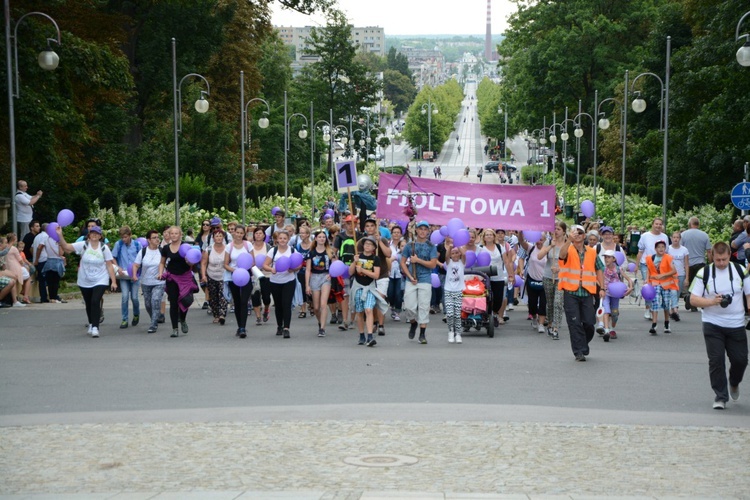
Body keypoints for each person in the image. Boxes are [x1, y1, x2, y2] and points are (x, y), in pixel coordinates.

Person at [689, 242, 750, 410]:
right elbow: (693, 299)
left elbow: (748, 294)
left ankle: (734, 382)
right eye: (718, 260)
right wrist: (711, 302)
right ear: (712, 257)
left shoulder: (740, 271)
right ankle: (720, 396)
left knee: (741, 360)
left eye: (724, 259)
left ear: (730, 255)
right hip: (712, 323)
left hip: (736, 324)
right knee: (716, 362)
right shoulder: (705, 272)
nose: (721, 263)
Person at [56, 225, 117, 338]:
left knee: (95, 301)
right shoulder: (83, 245)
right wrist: (60, 235)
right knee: (88, 303)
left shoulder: (104, 248)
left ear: (100, 236)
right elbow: (67, 247)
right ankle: (91, 323)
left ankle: (95, 327)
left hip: (101, 279)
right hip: (85, 279)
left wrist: (113, 281)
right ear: (89, 235)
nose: (94, 235)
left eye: (97, 233)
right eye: (92, 233)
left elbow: (109, 265)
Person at [558, 224, 606, 361]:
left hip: (587, 292)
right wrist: (568, 241)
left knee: (589, 323)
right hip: (571, 292)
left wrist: (602, 288)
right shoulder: (568, 248)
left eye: (580, 233)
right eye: (575, 233)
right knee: (574, 323)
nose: (578, 235)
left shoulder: (591, 252)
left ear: (584, 236)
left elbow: (599, 269)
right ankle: (578, 351)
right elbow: (561, 256)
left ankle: (583, 343)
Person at [400, 220, 438, 344]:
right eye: (420, 229)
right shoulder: (409, 245)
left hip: (425, 279)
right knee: (409, 307)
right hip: (411, 280)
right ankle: (413, 322)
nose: (422, 231)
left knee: (424, 306)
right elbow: (402, 262)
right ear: (416, 230)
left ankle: (422, 334)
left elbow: (432, 264)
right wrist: (410, 276)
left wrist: (418, 260)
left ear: (428, 231)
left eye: (425, 229)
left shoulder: (432, 247)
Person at [158, 226, 198, 338]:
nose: (174, 235)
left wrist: (189, 261)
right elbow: (162, 262)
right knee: (174, 303)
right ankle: (174, 328)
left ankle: (183, 319)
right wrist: (160, 273)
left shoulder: (186, 246)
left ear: (180, 235)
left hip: (185, 277)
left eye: (176, 233)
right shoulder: (166, 248)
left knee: (186, 300)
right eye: (172, 233)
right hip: (172, 278)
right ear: (169, 235)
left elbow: (192, 263)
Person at [264, 230, 303, 339]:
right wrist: (272, 269)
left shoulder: (292, 250)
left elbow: (299, 263)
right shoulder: (273, 251)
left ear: (288, 239)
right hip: (275, 281)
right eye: (280, 238)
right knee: (278, 305)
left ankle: (286, 328)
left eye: (284, 238)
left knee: (287, 304)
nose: (282, 240)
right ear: (277, 240)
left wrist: (293, 269)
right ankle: (279, 326)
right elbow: (265, 265)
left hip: (289, 281)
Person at [132, 230, 166, 333]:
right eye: (154, 238)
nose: (157, 239)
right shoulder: (143, 252)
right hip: (146, 282)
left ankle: (153, 324)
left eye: (157, 237)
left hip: (159, 282)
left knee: (155, 300)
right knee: (148, 304)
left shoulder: (162, 251)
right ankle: (154, 317)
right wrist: (134, 275)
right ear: (148, 240)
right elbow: (136, 265)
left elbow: (167, 264)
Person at [350, 236, 381, 347]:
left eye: (370, 244)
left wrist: (362, 270)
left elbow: (376, 275)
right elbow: (350, 272)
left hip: (369, 287)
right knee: (359, 311)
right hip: (358, 286)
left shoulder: (375, 259)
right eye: (366, 243)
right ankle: (362, 334)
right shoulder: (358, 256)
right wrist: (355, 262)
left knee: (368, 309)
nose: (367, 245)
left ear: (373, 247)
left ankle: (370, 335)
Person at [635, 217, 669, 321]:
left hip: (660, 266)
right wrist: (636, 265)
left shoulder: (665, 237)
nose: (658, 226)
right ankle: (647, 309)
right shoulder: (645, 236)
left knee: (658, 288)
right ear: (652, 224)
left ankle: (654, 308)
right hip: (647, 264)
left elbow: (666, 253)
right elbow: (640, 251)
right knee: (649, 286)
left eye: (660, 224)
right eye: (656, 224)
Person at [224, 225, 253, 338]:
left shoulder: (248, 245)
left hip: (246, 276)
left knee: (244, 301)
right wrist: (235, 270)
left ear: (244, 234)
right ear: (234, 233)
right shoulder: (229, 246)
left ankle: (243, 328)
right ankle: (239, 325)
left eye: (242, 233)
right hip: (234, 277)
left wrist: (244, 268)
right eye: (238, 232)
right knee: (237, 302)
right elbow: (225, 264)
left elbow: (253, 261)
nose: (239, 235)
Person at [599, 249, 633, 341]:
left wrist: (630, 287)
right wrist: (601, 288)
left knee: (614, 314)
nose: (606, 259)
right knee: (606, 310)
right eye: (605, 257)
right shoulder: (602, 268)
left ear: (614, 259)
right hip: (606, 292)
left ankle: (612, 328)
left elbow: (628, 279)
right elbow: (597, 278)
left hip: (615, 294)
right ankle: (606, 330)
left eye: (609, 257)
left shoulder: (618, 269)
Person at [645, 240, 678, 335]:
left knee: (666, 304)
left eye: (663, 247)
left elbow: (674, 271)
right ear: (655, 249)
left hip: (666, 284)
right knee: (655, 301)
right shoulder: (650, 258)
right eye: (659, 247)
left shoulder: (668, 258)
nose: (661, 249)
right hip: (655, 283)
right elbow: (649, 270)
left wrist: (662, 275)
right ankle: (654, 324)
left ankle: (666, 323)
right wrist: (647, 281)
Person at [112, 226, 142, 329]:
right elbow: (113, 258)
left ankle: (136, 314)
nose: (123, 239)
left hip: (135, 275)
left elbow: (141, 259)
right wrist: (118, 267)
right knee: (124, 297)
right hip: (123, 275)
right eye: (122, 237)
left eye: (125, 237)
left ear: (130, 235)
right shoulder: (118, 244)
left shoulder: (137, 245)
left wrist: (137, 270)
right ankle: (124, 319)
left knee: (134, 297)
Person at [681, 217, 713, 312]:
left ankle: (689, 300)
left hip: (688, 263)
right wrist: (711, 263)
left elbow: (680, 249)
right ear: (698, 224)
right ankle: (692, 301)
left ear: (690, 224)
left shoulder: (683, 235)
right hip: (700, 263)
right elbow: (709, 251)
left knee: (690, 283)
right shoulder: (704, 235)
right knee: (698, 284)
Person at [306, 229, 333, 337]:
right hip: (314, 277)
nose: (322, 239)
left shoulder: (330, 251)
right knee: (316, 307)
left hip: (325, 277)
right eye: (320, 237)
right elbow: (308, 270)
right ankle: (319, 321)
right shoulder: (311, 253)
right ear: (316, 239)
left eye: (323, 237)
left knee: (323, 304)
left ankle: (322, 328)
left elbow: (335, 265)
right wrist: (307, 285)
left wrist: (331, 274)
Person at [199, 227, 228, 328]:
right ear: (213, 238)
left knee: (223, 295)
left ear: (223, 237)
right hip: (211, 275)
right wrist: (203, 275)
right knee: (213, 297)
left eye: (220, 236)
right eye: (217, 236)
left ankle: (222, 314)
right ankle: (216, 314)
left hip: (224, 276)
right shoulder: (209, 249)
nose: (219, 238)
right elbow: (203, 263)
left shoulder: (227, 249)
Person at [519, 232, 547, 334]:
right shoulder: (531, 248)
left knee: (543, 303)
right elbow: (521, 241)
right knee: (532, 303)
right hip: (532, 280)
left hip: (545, 281)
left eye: (541, 240)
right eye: (538, 239)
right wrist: (521, 232)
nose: (539, 242)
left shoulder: (548, 250)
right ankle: (534, 317)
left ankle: (541, 324)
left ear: (544, 240)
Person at [249, 226, 272, 326]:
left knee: (266, 297)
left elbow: (271, 260)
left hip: (266, 275)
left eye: (260, 233)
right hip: (253, 275)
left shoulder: (268, 247)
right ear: (254, 235)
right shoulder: (250, 247)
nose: (258, 235)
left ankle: (266, 309)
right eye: (256, 233)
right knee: (255, 296)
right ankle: (258, 317)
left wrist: (266, 266)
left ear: (264, 235)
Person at [443, 245, 465, 344]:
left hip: (459, 290)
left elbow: (464, 254)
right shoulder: (449, 263)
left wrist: (458, 246)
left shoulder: (462, 263)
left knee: (457, 314)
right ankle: (451, 331)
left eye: (457, 253)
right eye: (453, 253)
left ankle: (458, 334)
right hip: (448, 290)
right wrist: (450, 248)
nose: (455, 255)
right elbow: (447, 256)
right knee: (450, 314)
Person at [668, 230, 690, 321]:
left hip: (681, 274)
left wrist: (687, 278)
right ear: (671, 238)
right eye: (674, 237)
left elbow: (686, 264)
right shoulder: (668, 249)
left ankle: (673, 310)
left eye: (677, 237)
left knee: (677, 293)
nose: (676, 239)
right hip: (670, 275)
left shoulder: (684, 250)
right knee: (671, 292)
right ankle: (674, 310)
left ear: (680, 239)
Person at [0, 235, 26, 307]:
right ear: (0, 244)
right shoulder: (5, 250)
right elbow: (4, 253)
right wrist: (11, 243)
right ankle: (14, 300)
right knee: (12, 278)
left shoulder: (2, 250)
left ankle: (14, 300)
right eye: (5, 243)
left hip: (4, 269)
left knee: (14, 276)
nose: (6, 244)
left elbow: (3, 265)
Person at [32, 223, 49, 303]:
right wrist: (37, 259)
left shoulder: (37, 236)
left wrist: (35, 257)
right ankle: (45, 297)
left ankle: (43, 297)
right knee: (45, 279)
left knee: (41, 280)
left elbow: (31, 248)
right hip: (43, 259)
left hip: (39, 260)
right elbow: (40, 247)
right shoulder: (45, 236)